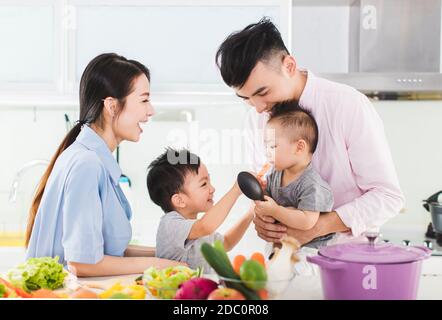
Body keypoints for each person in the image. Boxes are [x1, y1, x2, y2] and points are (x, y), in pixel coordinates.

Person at [215, 18, 404, 247]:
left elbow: (387, 197)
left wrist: (317, 226)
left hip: (347, 256)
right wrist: (261, 217)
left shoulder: (348, 105)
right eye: (246, 99)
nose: (258, 107)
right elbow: (265, 184)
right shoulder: (255, 119)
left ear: (289, 66)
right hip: (283, 260)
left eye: (263, 92)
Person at [25, 53, 183, 276]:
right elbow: (83, 263)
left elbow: (110, 251)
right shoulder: (87, 165)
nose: (151, 111)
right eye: (144, 100)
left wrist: (168, 257)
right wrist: (160, 265)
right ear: (111, 106)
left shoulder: (90, 159)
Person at [146, 148, 253, 272]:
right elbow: (205, 226)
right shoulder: (170, 224)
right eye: (204, 184)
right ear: (180, 200)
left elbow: (227, 243)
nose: (212, 188)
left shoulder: (199, 229)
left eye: (209, 181)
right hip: (174, 291)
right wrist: (236, 190)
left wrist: (250, 214)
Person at [254, 101, 333, 237]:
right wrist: (260, 191)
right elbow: (269, 200)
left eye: (272, 146)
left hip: (309, 250)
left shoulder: (312, 185)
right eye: (266, 147)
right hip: (283, 244)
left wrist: (276, 211)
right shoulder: (275, 173)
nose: (267, 152)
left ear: (299, 147)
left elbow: (307, 221)